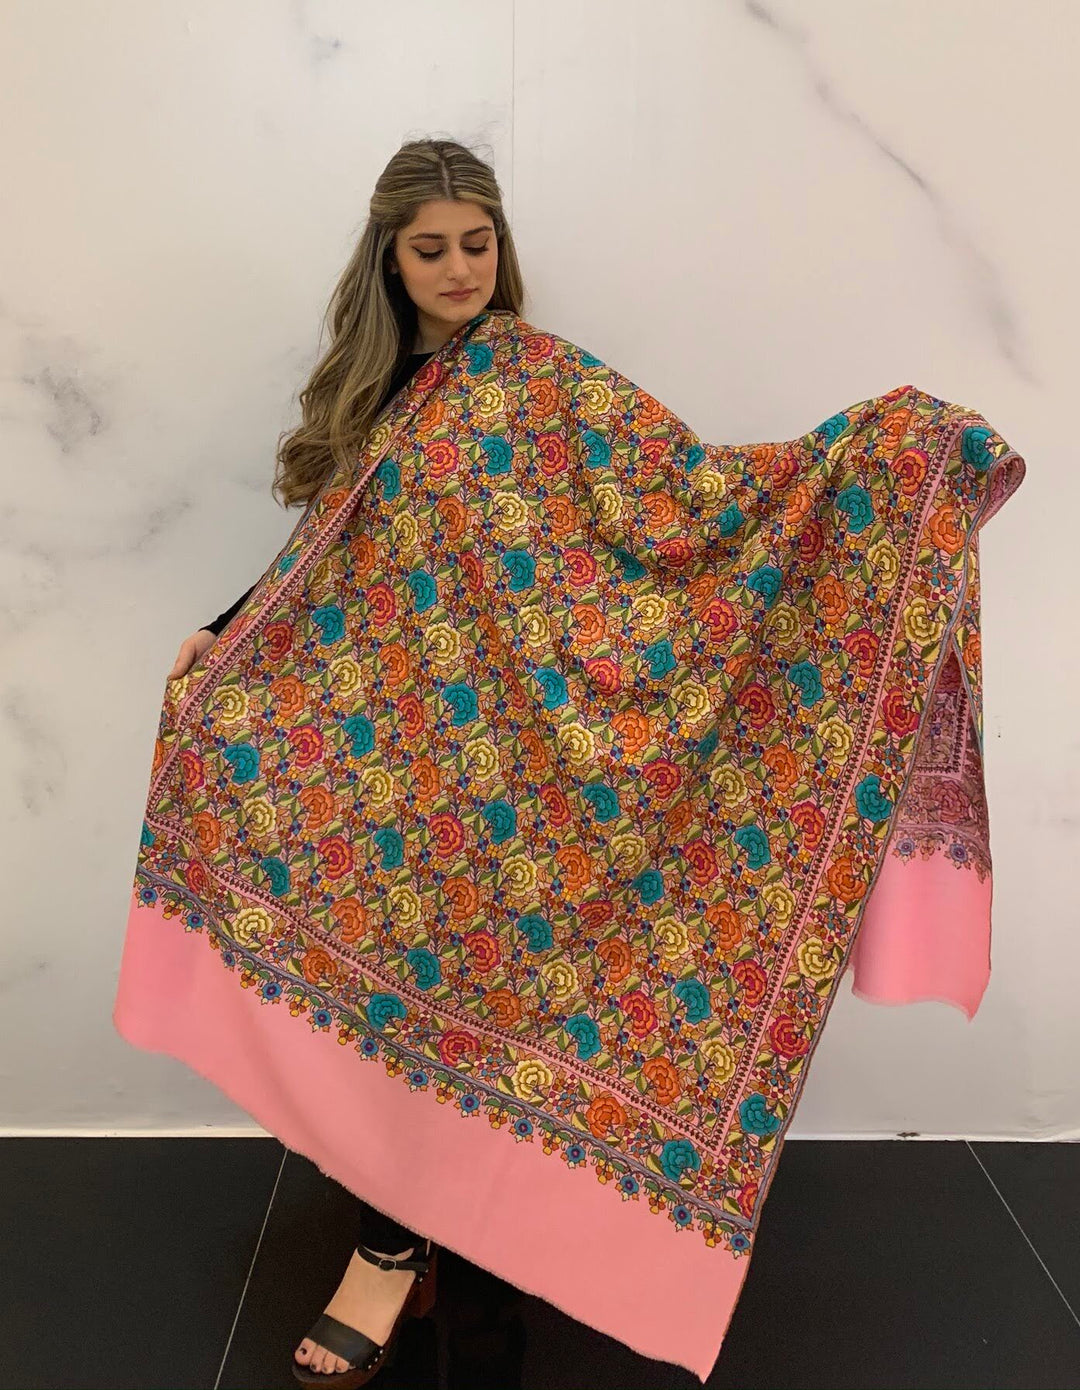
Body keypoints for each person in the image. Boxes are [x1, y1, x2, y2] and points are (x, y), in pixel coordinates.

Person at [164, 137, 524, 1383]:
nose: (461, 269)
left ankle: (417, 1243)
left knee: (459, 997)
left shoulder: (537, 381)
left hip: (498, 746)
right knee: (367, 993)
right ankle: (392, 1238)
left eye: (477, 243)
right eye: (432, 249)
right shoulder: (373, 389)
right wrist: (226, 630)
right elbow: (333, 547)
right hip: (378, 738)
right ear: (389, 258)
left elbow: (665, 506)